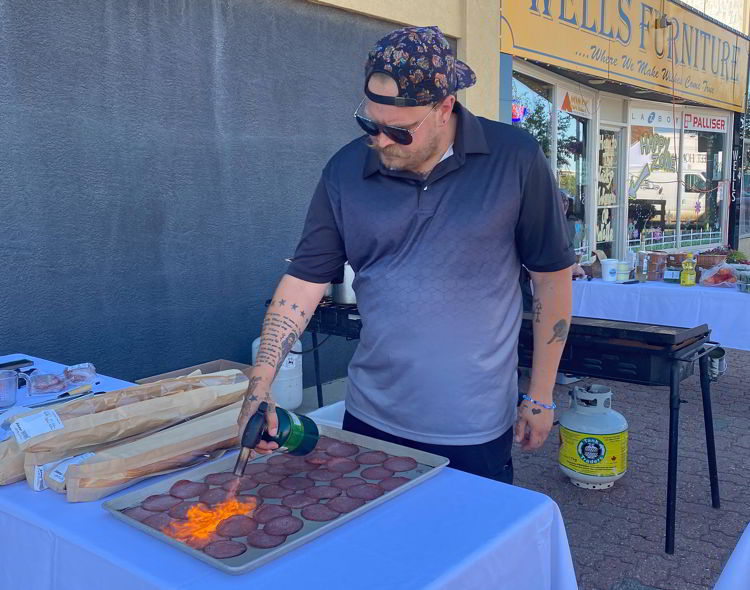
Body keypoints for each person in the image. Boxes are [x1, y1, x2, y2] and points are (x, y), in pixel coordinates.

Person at [238, 26, 574, 485]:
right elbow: (306, 278)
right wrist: (260, 385)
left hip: (473, 425)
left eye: (399, 130)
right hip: (371, 418)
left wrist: (541, 395)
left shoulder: (514, 158)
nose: (381, 140)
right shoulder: (345, 170)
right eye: (369, 124)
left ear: (444, 108)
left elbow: (551, 278)